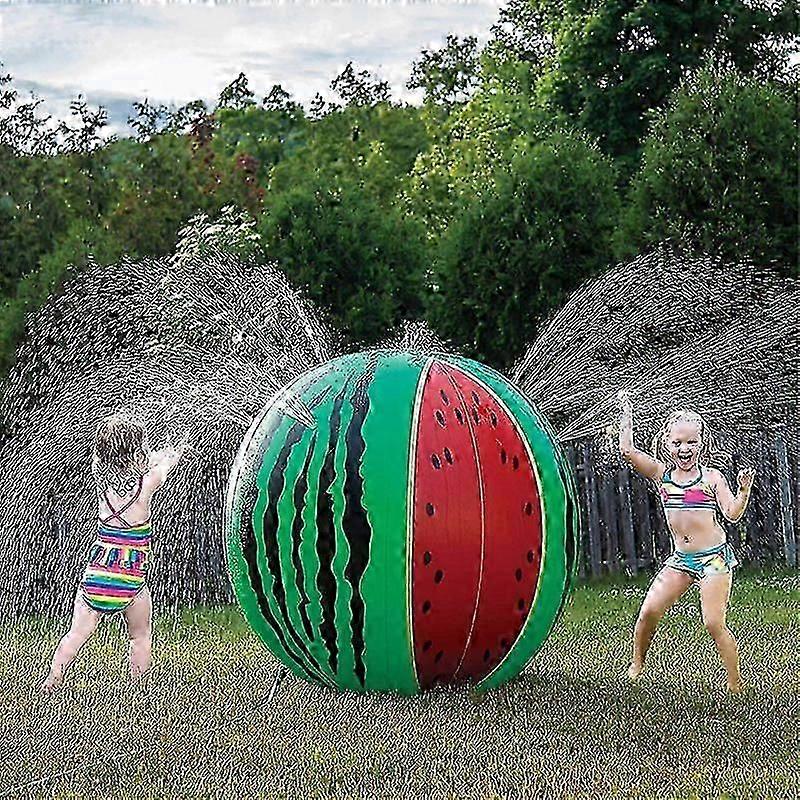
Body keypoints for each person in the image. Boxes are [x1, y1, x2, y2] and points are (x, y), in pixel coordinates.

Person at [618, 391, 754, 694]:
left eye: (691, 442)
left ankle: (736, 686)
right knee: (648, 611)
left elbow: (732, 514)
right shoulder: (661, 474)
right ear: (667, 444)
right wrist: (626, 413)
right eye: (678, 442)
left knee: (712, 622)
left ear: (701, 444)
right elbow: (627, 451)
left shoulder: (711, 478)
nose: (684, 448)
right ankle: (637, 665)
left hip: (714, 559)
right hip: (681, 559)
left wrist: (743, 491)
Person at [41, 414, 185, 692]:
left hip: (96, 578)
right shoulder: (147, 483)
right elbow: (165, 464)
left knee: (78, 633)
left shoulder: (101, 482)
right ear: (138, 453)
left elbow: (110, 459)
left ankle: (54, 677)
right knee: (140, 635)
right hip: (130, 581)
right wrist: (173, 452)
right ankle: (139, 687)